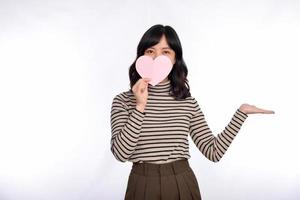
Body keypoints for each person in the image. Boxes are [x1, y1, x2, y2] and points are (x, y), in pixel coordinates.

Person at [110, 24, 275, 200]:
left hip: (181, 181)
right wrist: (140, 106)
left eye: (166, 52)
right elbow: (121, 154)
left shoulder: (187, 102)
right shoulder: (123, 101)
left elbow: (213, 152)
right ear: (141, 56)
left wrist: (240, 114)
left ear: (175, 59)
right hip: (141, 184)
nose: (157, 57)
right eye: (150, 51)